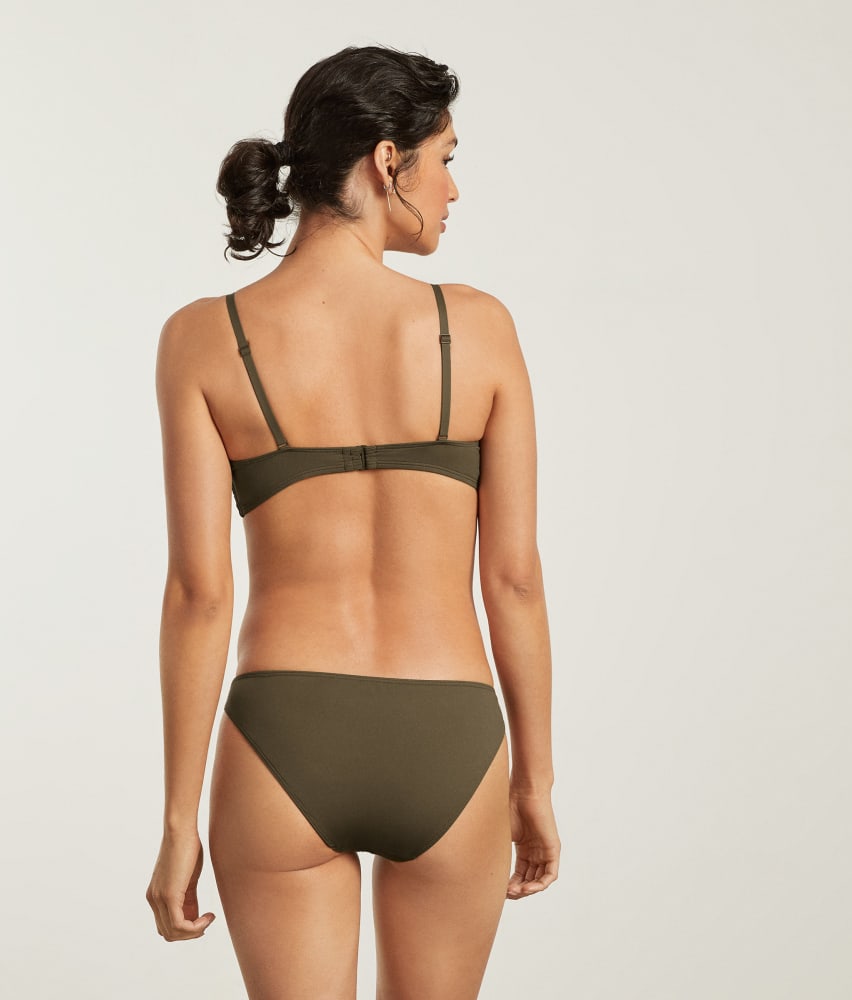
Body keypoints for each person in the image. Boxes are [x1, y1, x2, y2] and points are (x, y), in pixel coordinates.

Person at [145, 44, 560, 1000]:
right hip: (448, 738)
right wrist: (533, 783)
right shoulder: (479, 328)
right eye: (445, 159)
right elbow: (514, 581)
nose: (453, 189)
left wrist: (177, 824)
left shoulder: (203, 338)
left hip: (282, 741)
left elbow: (200, 595)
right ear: (386, 161)